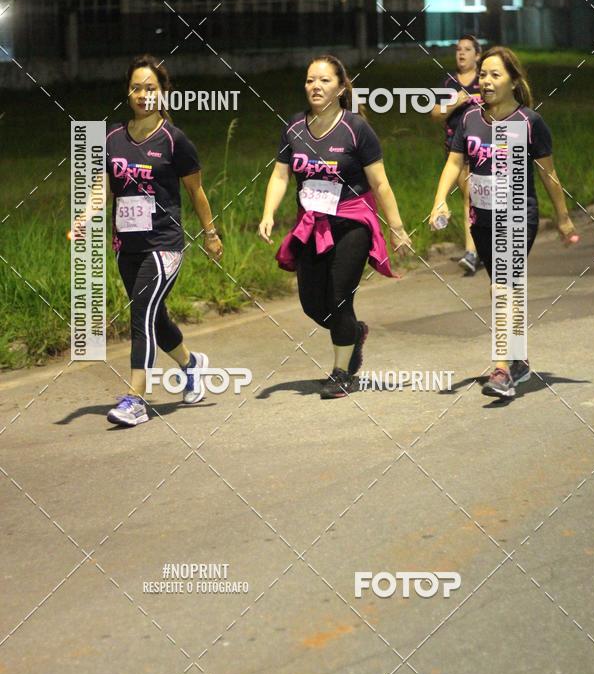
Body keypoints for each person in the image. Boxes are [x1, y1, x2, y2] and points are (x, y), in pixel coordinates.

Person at [76, 54, 223, 426]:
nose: (143, 95)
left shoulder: (174, 140)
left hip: (164, 245)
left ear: (163, 93)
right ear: (128, 92)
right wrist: (85, 216)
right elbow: (103, 188)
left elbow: (196, 192)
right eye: (136, 88)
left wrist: (210, 234)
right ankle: (192, 365)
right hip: (127, 245)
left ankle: (136, 399)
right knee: (155, 318)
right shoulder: (111, 137)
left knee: (141, 313)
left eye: (151, 88)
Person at [258, 54, 410, 399]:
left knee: (339, 297)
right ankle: (353, 333)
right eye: (310, 80)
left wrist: (397, 227)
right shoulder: (294, 126)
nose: (316, 86)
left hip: (352, 222)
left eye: (324, 80)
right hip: (311, 224)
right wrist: (268, 214)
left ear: (341, 88)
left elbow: (380, 183)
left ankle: (342, 373)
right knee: (313, 304)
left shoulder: (357, 129)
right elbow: (280, 175)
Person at [429, 46, 577, 399]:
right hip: (482, 218)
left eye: (495, 75)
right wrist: (439, 201)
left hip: (518, 216)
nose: (486, 81)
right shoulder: (470, 119)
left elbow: (549, 174)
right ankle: (518, 360)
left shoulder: (529, 122)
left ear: (513, 81)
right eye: (483, 74)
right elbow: (455, 163)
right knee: (504, 287)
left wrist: (563, 218)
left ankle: (501, 371)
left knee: (502, 289)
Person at [430, 35, 483, 275]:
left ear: (477, 55)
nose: (461, 53)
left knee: (482, 199)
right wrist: (455, 104)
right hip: (457, 149)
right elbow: (434, 113)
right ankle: (473, 252)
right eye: (458, 49)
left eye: (467, 49)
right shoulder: (448, 83)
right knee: (470, 198)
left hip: (486, 148)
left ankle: (480, 248)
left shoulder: (485, 80)